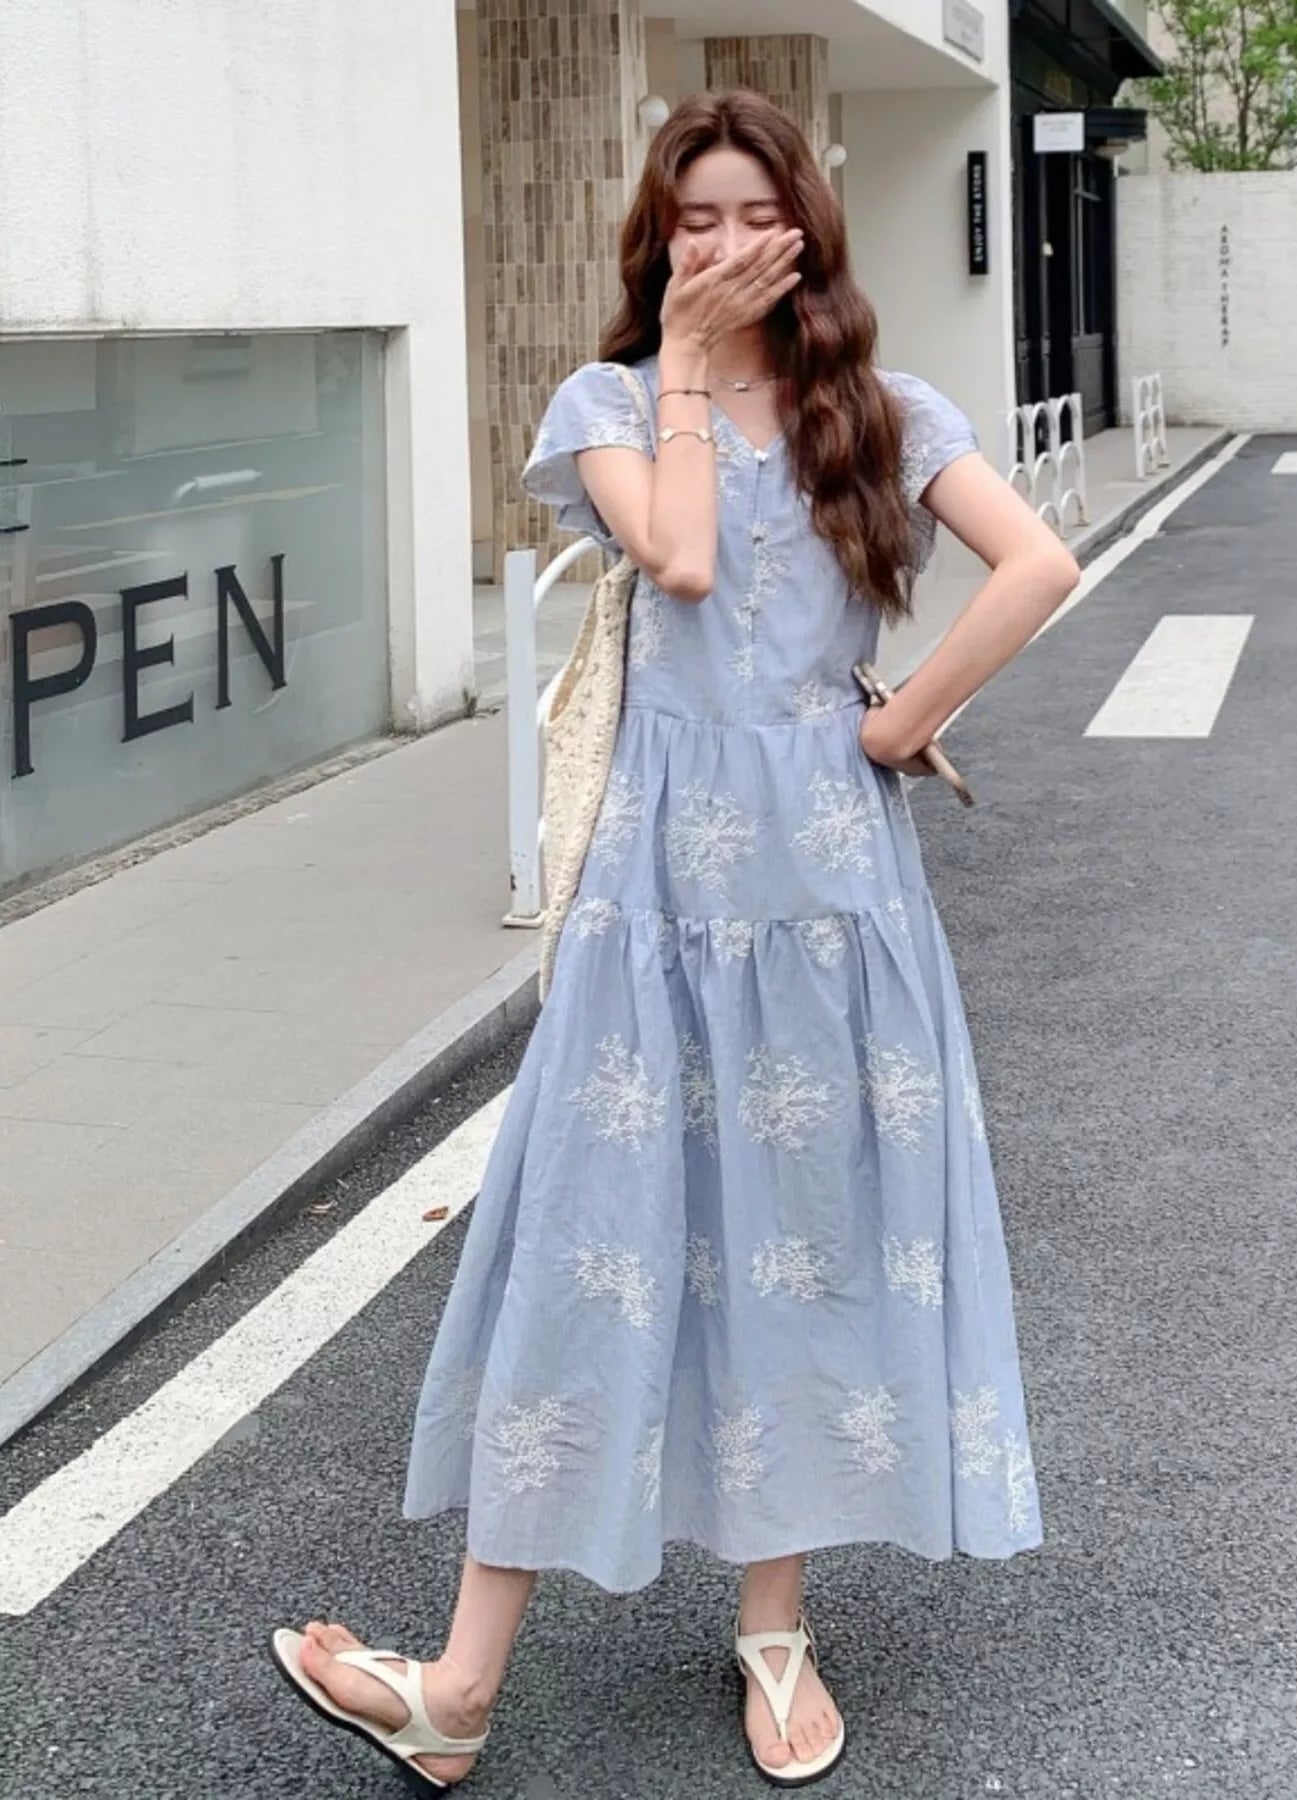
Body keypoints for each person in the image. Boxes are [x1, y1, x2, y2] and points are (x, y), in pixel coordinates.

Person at [270, 88, 1080, 1794]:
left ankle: (773, 1627)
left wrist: (896, 721)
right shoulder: (609, 404)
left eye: (752, 215)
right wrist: (696, 365)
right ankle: (458, 1686)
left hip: (833, 905)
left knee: (798, 1237)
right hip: (654, 899)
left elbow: (1035, 566)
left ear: (806, 228)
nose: (722, 245)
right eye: (692, 219)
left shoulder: (888, 412)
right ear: (658, 238)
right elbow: (687, 561)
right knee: (586, 1237)